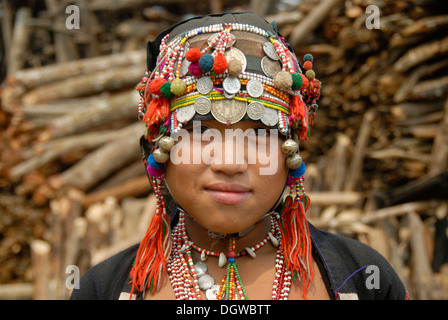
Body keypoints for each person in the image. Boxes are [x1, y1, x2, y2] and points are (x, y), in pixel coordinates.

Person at [70, 11, 408, 300]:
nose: (230, 163)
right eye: (200, 132)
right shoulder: (104, 289)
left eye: (260, 134)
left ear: (289, 151)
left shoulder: (363, 278)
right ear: (160, 147)